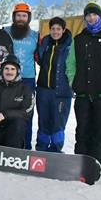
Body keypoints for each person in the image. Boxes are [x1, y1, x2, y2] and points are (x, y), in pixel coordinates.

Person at [66, 2, 101, 165]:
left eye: (94, 15)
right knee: (82, 130)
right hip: (83, 94)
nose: (91, 18)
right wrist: (72, 80)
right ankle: (80, 162)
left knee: (100, 130)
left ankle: (95, 163)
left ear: (100, 16)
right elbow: (71, 63)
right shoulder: (79, 39)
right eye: (88, 15)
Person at [0, 3, 41, 149]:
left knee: (25, 115)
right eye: (18, 15)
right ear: (13, 17)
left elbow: (40, 57)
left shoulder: (35, 36)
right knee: (1, 112)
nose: (21, 19)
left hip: (27, 80)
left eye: (24, 16)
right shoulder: (4, 33)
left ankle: (25, 147)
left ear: (28, 18)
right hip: (6, 78)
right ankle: (2, 145)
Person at [35, 17, 73, 152]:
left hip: (62, 92)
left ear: (63, 30)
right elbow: (39, 59)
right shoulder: (45, 43)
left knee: (58, 124)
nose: (55, 32)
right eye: (53, 29)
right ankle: (41, 148)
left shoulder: (70, 46)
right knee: (43, 121)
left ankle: (56, 150)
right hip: (44, 89)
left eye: (58, 29)